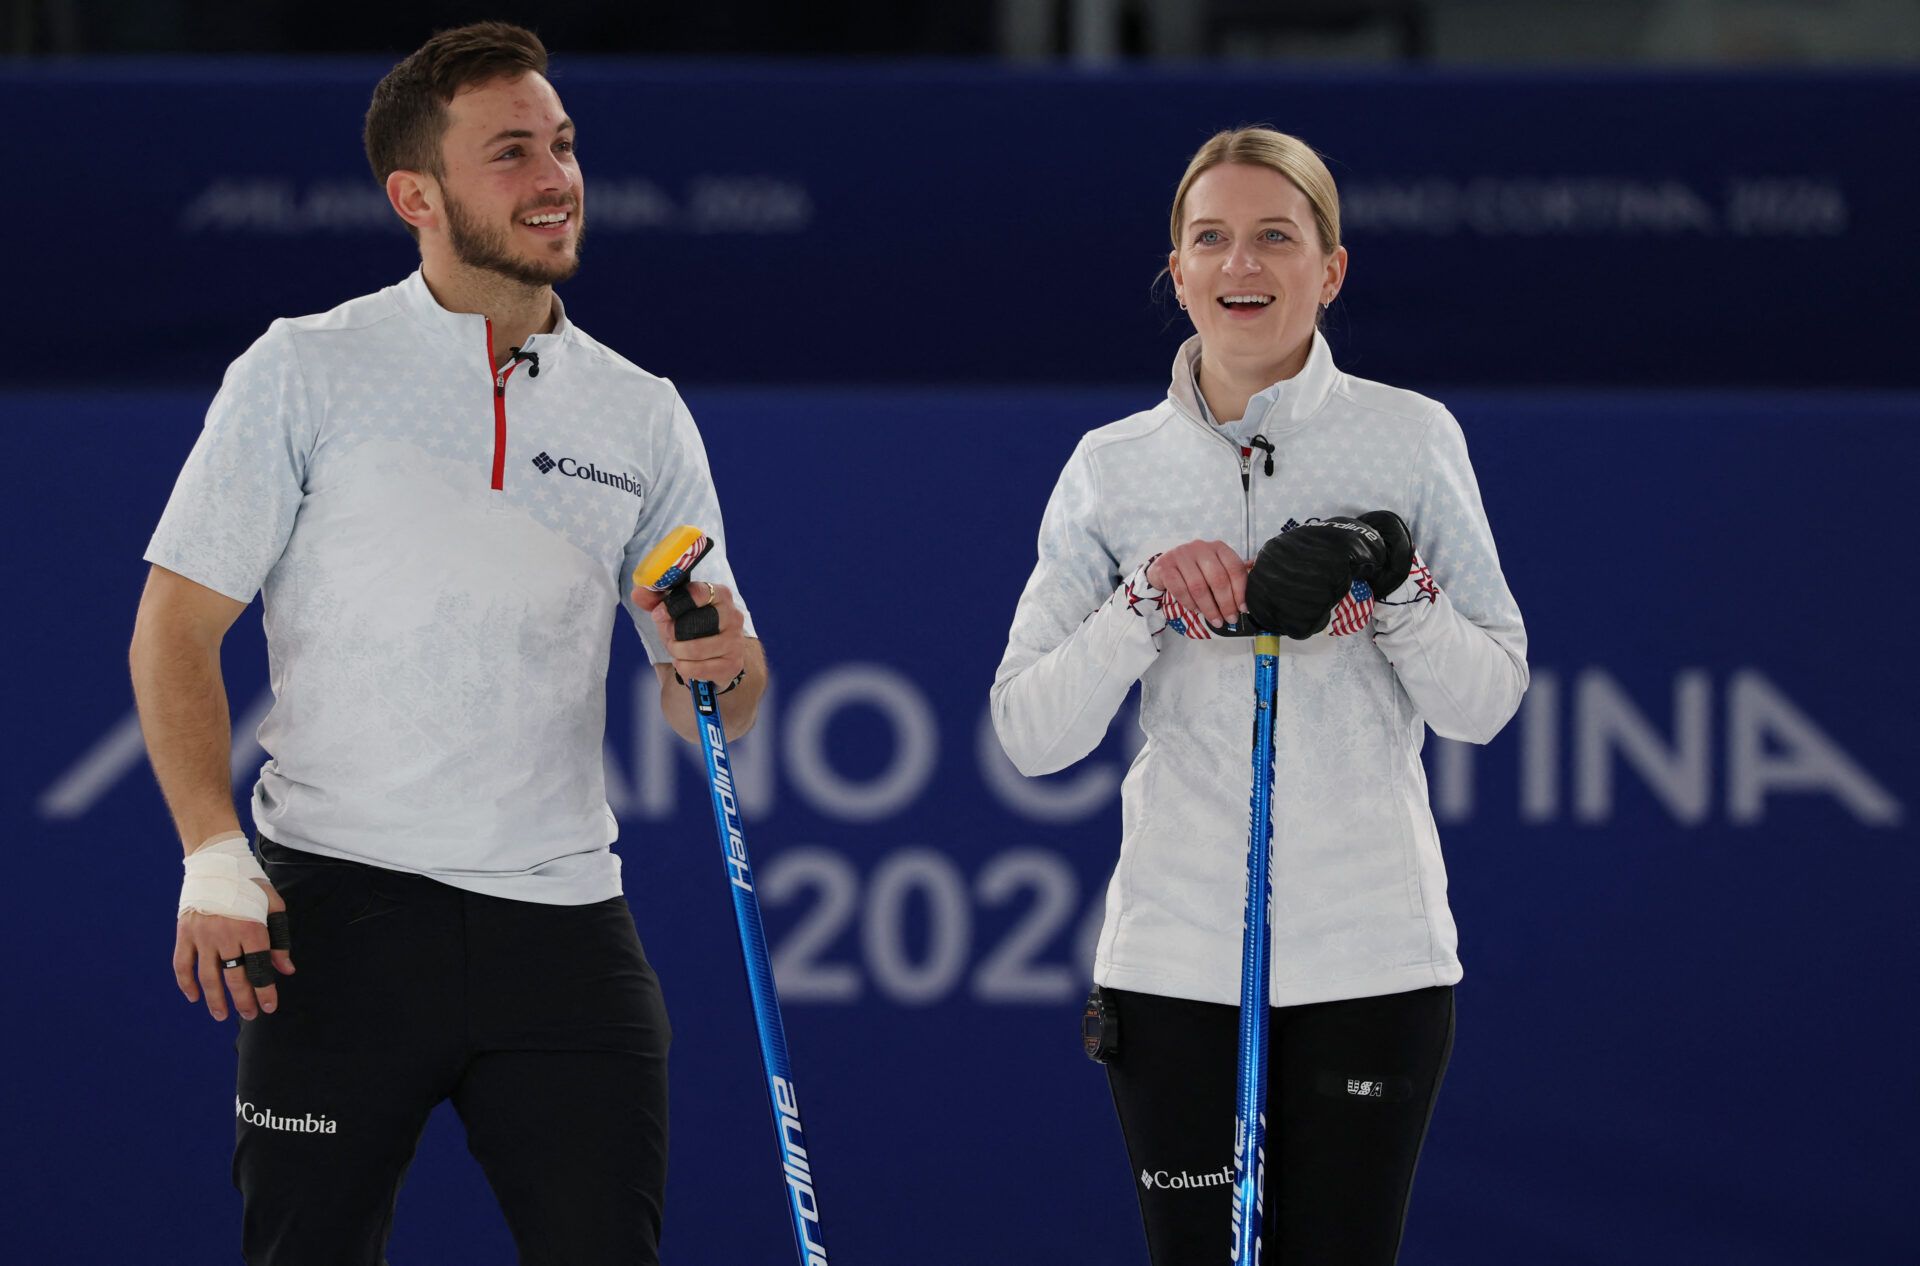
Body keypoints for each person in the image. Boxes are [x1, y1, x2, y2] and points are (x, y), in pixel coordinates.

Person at [128, 23, 764, 1265]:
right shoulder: (304, 369)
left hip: (565, 928)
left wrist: (723, 666)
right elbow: (175, 626)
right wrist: (213, 852)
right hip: (338, 915)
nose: (556, 177)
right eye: (512, 152)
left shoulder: (641, 412)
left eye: (565, 146)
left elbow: (722, 702)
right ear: (416, 195)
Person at [991, 127, 1527, 1264]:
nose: (1243, 265)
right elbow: (1031, 732)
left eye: (1275, 237)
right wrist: (1145, 602)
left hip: (1371, 957)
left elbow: (1487, 700)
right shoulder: (1112, 466)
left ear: (1329, 269)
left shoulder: (1410, 436)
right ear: (1177, 271)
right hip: (1176, 968)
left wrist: (1393, 584)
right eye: (1212, 239)